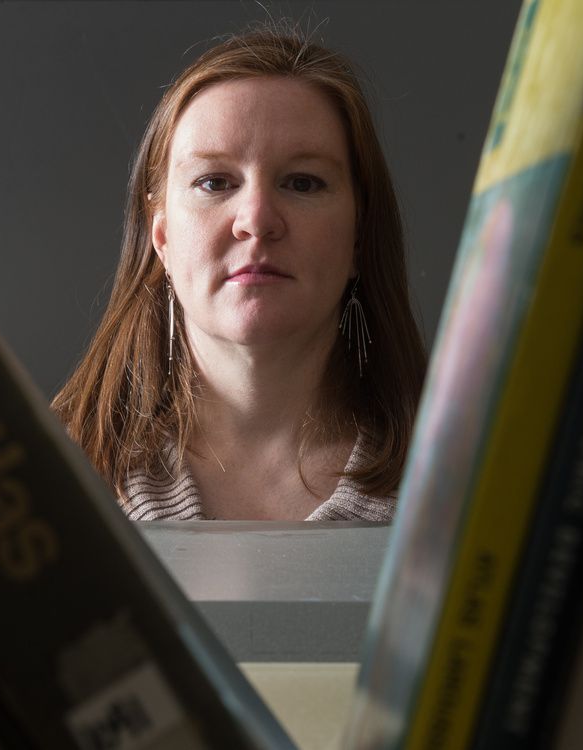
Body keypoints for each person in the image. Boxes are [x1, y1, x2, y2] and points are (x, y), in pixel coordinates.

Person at [53, 24, 426, 521]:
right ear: (160, 236)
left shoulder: (473, 482)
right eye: (214, 182)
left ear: (360, 234)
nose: (256, 220)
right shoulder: (42, 474)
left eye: (302, 182)